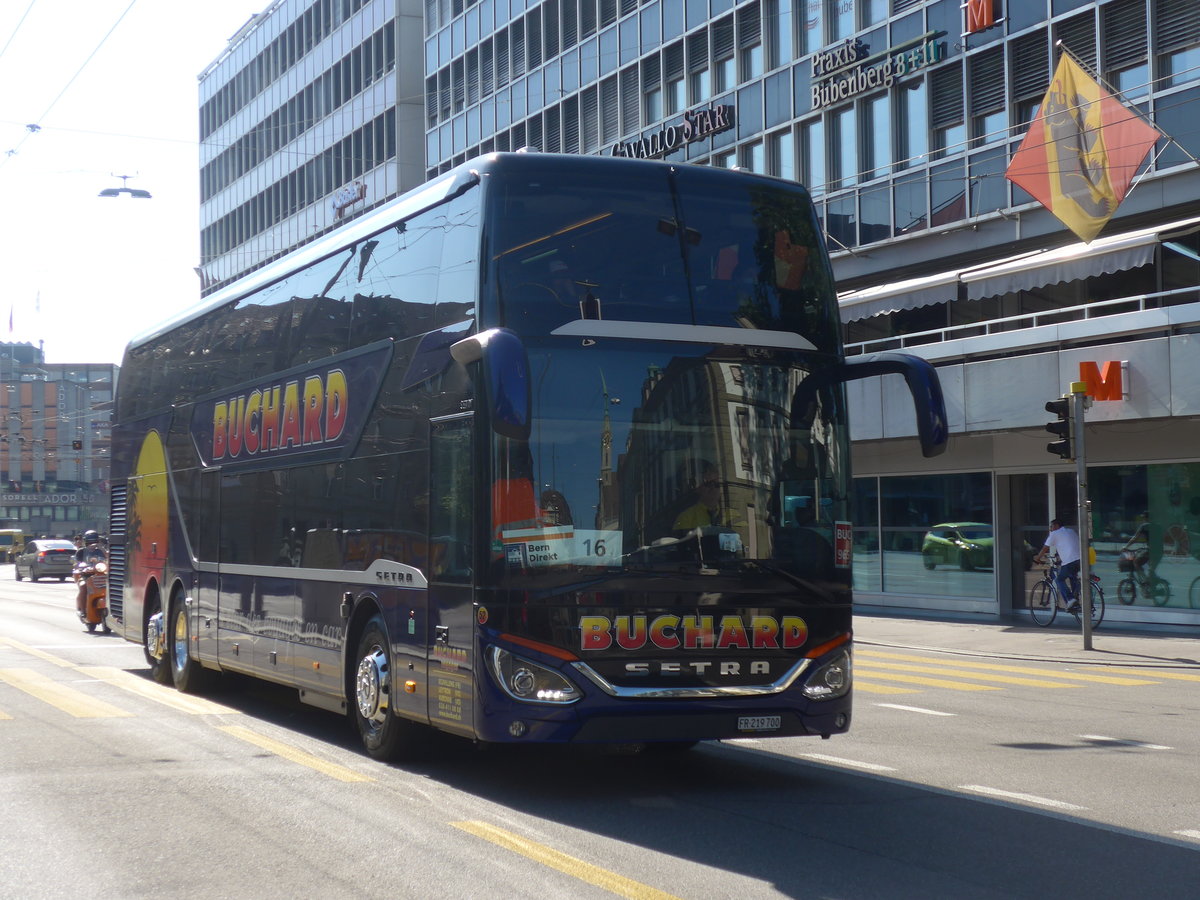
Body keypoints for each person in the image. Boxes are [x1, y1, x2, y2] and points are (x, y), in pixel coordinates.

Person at [673, 464, 739, 531]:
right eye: (708, 484)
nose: (713, 488)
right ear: (699, 488)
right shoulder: (686, 518)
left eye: (717, 485)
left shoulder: (733, 515)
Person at [1033, 519, 1081, 611]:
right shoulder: (1070, 531)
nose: (1050, 529)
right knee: (1072, 577)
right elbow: (1069, 545)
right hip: (1080, 560)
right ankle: (1076, 601)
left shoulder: (1055, 534)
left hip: (1070, 561)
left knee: (1059, 580)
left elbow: (1045, 548)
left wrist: (1038, 558)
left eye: (1051, 526)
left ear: (1057, 525)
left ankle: (1071, 600)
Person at [74, 530, 106, 617]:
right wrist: (82, 567)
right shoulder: (81, 551)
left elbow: (108, 560)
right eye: (89, 542)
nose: (92, 544)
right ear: (86, 542)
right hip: (85, 576)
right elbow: (76, 564)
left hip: (100, 575)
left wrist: (102, 549)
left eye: (95, 542)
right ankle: (83, 611)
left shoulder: (101, 551)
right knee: (83, 586)